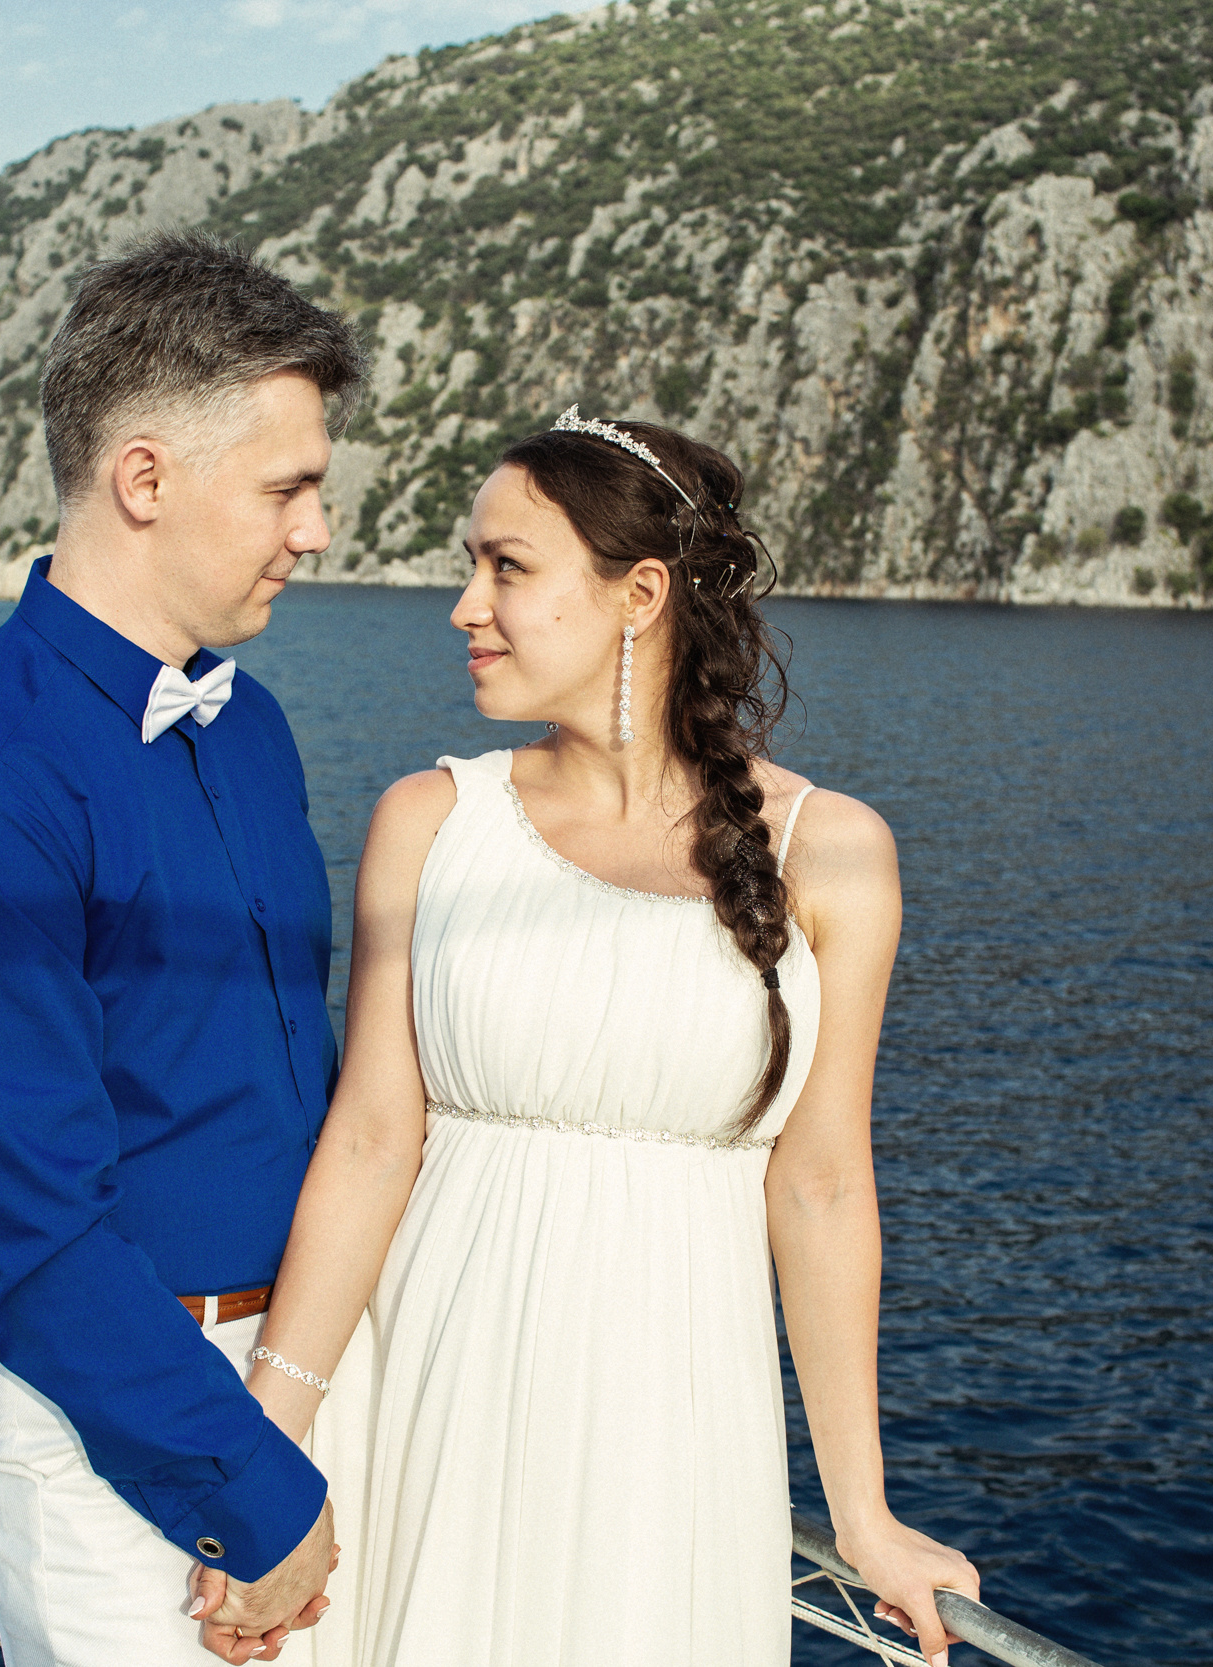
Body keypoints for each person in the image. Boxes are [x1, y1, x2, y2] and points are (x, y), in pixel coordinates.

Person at [222, 408, 983, 1667]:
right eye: (472, 563)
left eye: (507, 567)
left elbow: (826, 1182)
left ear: (639, 593)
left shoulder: (831, 851)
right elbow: (367, 1143)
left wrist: (863, 1510)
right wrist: (266, 1439)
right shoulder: (430, 820)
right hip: (435, 1393)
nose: (466, 604)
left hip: (674, 1426)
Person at [0, 232, 367, 1667]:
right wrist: (243, 1485)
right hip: (111, 1416)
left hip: (298, 1374)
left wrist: (299, 1399)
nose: (316, 529)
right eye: (288, 487)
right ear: (145, 478)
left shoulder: (248, 725)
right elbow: (28, 1223)